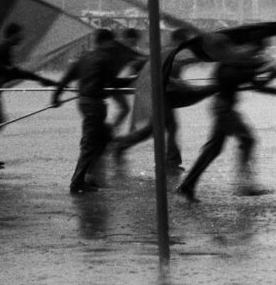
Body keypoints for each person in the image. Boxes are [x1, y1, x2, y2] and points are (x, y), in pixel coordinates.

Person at [176, 36, 276, 202]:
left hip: (226, 108)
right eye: (254, 50)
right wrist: (265, 68)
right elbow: (233, 77)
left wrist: (274, 83)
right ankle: (245, 185)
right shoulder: (229, 63)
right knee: (247, 140)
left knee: (213, 150)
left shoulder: (242, 63)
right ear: (246, 46)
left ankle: (187, 186)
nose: (254, 54)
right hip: (224, 110)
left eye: (258, 52)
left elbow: (256, 84)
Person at [110, 27, 202, 172]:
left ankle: (122, 144)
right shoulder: (170, 54)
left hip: (163, 96)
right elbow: (154, 72)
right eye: (185, 41)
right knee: (170, 126)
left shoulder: (174, 54)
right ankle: (171, 161)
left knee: (151, 129)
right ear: (179, 40)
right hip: (159, 96)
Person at [0, 23, 56, 168]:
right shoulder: (3, 48)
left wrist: (38, 79)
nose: (22, 37)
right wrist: (38, 79)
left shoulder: (6, 49)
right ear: (12, 35)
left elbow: (13, 71)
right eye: (19, 34)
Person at [52, 28, 128, 194]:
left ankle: (89, 176)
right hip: (94, 104)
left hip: (84, 102)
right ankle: (77, 181)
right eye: (111, 42)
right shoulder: (105, 58)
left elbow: (66, 78)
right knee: (90, 144)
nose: (113, 46)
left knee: (104, 138)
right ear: (106, 42)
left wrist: (56, 97)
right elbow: (113, 82)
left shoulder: (84, 57)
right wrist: (134, 80)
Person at [108, 28, 146, 131]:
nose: (134, 44)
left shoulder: (129, 50)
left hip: (118, 82)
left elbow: (143, 57)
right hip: (112, 82)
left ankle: (112, 130)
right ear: (127, 39)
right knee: (125, 108)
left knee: (125, 109)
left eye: (136, 42)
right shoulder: (118, 48)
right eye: (133, 42)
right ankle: (111, 130)